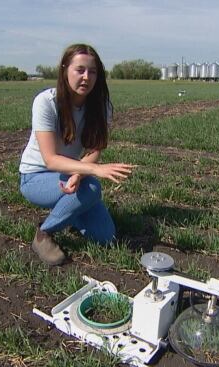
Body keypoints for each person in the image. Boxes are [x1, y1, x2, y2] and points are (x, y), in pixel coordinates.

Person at [19, 44, 134, 265]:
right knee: (92, 187)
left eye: (92, 71)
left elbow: (94, 150)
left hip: (70, 173)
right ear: (64, 70)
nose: (86, 77)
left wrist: (78, 174)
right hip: (35, 177)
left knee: (106, 236)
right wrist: (92, 170)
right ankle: (44, 233)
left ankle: (69, 210)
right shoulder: (46, 102)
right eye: (79, 70)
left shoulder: (101, 106)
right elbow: (50, 159)